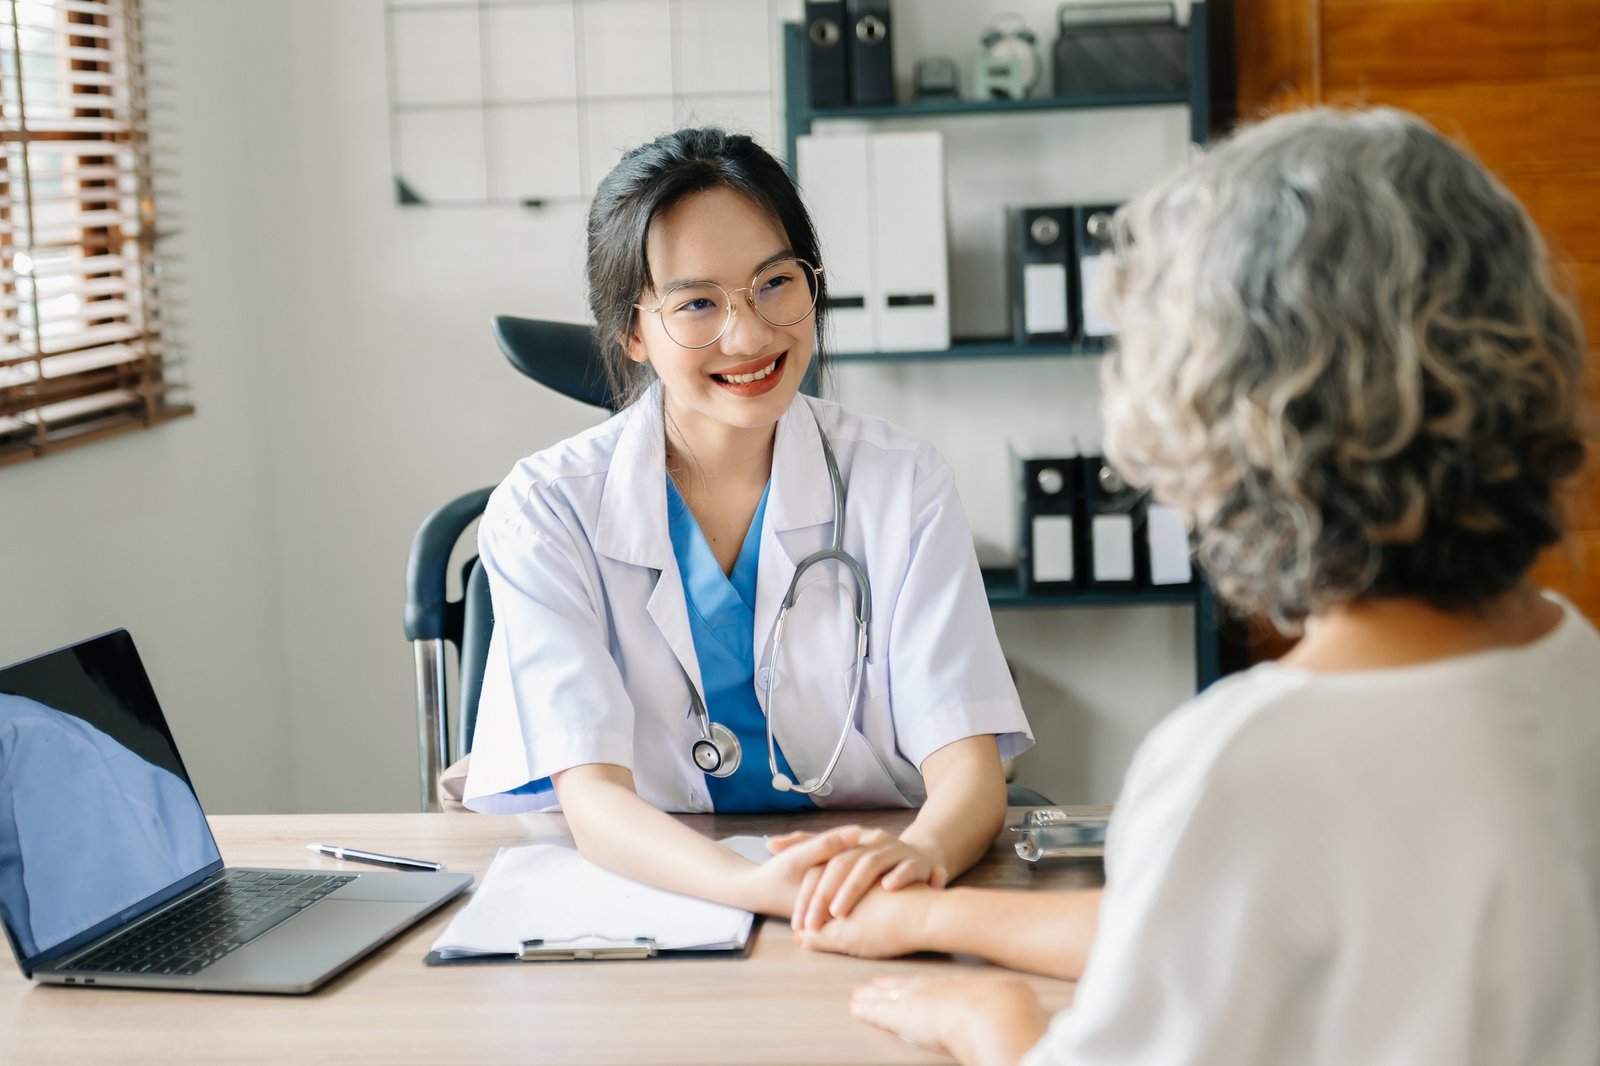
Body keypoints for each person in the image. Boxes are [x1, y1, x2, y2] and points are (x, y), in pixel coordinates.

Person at [795, 106, 1600, 1065]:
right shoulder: (1568, 658)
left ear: (1220, 419)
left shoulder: (1249, 759)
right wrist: (950, 918)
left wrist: (996, 1025)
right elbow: (1203, 922)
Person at [461, 127, 1033, 924]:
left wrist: (921, 855)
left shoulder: (901, 480)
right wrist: (750, 889)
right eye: (697, 303)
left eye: (776, 283)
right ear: (632, 332)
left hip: (864, 885)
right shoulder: (546, 507)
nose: (751, 335)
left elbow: (968, 765)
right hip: (647, 896)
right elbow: (592, 798)